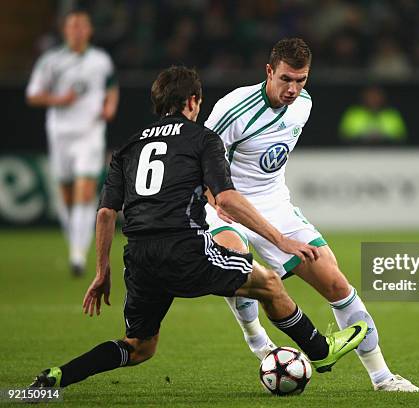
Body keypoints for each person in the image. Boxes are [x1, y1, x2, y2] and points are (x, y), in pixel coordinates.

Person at [28, 66, 367, 391]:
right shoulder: (202, 138)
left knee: (139, 347)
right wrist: (282, 240)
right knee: (269, 283)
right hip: (186, 249)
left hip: (140, 258)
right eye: (198, 102)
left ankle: (58, 376)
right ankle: (322, 352)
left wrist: (102, 272)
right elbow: (228, 199)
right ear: (192, 101)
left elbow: (105, 213)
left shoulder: (128, 148)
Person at [204, 38, 419, 392]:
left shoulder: (304, 104)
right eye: (286, 79)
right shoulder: (233, 107)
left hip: (273, 202)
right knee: (238, 262)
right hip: (225, 201)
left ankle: (383, 378)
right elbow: (201, 156)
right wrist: (213, 197)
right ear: (269, 71)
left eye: (301, 80)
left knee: (335, 281)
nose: (293, 89)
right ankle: (256, 338)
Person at [26, 10, 120, 277]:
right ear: (65, 31)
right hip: (60, 134)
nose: (77, 30)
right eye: (72, 26)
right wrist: (59, 100)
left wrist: (110, 106)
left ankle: (78, 256)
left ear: (89, 31)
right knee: (67, 196)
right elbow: (33, 95)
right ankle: (75, 246)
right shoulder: (51, 61)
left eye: (82, 26)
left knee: (85, 190)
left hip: (89, 133)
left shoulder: (100, 60)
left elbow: (111, 86)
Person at [339, 86, 408, 144]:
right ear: (364, 97)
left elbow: (400, 137)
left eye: (376, 96)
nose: (373, 99)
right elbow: (345, 137)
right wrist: (365, 137)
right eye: (370, 96)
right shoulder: (354, 113)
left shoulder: (391, 114)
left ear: (382, 97)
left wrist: (382, 138)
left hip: (388, 154)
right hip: (357, 154)